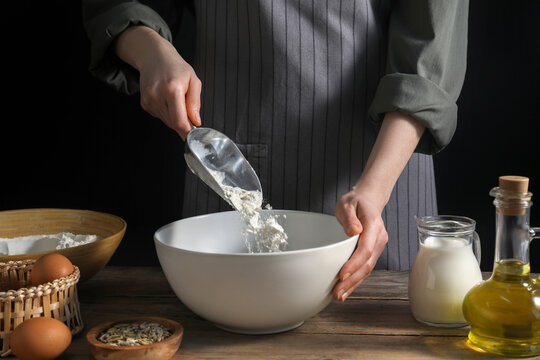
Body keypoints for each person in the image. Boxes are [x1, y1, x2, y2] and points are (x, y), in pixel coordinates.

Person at [82, 0, 468, 302]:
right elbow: (117, 5)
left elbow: (430, 51)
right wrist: (150, 51)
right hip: (227, 167)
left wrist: (375, 187)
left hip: (381, 176)